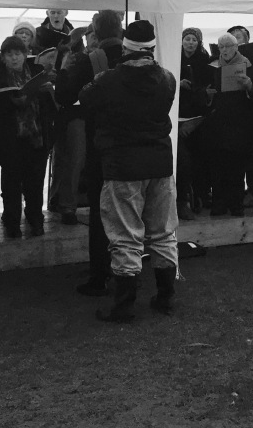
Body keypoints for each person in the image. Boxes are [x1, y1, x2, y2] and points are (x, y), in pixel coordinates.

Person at [80, 19, 179, 322]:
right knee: (163, 233)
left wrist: (104, 73)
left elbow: (85, 98)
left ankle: (123, 305)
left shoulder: (108, 80)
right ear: (151, 47)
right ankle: (165, 298)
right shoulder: (167, 78)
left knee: (125, 236)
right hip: (160, 164)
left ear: (125, 47)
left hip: (122, 166)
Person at [55, 10, 123, 296]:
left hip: (99, 141)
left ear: (95, 30)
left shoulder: (88, 59)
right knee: (125, 210)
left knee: (100, 210)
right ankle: (125, 268)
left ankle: (100, 274)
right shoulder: (134, 58)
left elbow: (64, 95)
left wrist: (67, 56)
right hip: (127, 141)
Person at [0, 36, 55, 238]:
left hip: (36, 137)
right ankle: (12, 222)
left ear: (25, 55)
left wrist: (45, 92)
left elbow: (49, 107)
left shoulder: (36, 73)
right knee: (11, 184)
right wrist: (11, 103)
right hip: (10, 139)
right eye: (9, 55)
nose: (14, 58)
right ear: (3, 57)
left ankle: (36, 220)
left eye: (18, 54)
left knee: (34, 183)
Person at [205, 33, 253, 217]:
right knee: (218, 165)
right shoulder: (213, 66)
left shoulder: (248, 65)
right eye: (221, 47)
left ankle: (236, 204)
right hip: (218, 123)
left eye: (228, 46)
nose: (224, 50)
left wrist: (249, 86)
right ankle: (219, 203)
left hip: (240, 124)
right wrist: (208, 94)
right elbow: (204, 91)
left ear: (237, 47)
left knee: (236, 166)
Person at [177, 27, 211, 220]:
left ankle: (199, 195)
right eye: (187, 39)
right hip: (178, 115)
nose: (190, 43)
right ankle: (183, 200)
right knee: (183, 160)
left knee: (198, 159)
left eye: (194, 40)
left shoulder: (204, 61)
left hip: (196, 117)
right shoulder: (175, 58)